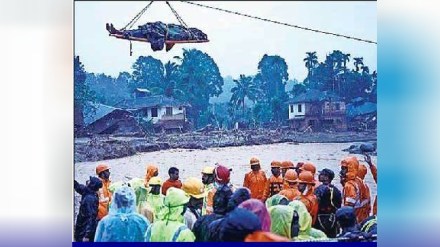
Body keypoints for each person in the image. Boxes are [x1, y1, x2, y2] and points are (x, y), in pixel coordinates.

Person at [313, 168, 342, 238]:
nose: (319, 176)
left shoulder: (320, 188)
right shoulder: (336, 190)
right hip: (332, 219)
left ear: (326, 177)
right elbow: (339, 205)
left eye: (322, 174)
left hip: (319, 219)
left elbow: (315, 202)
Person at [339, 157, 368, 223]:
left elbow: (349, 206)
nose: (341, 171)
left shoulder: (349, 185)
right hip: (363, 216)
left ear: (350, 169)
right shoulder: (359, 180)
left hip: (354, 218)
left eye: (343, 169)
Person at [74, 177, 102, 242]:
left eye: (90, 181)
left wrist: (87, 235)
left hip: (84, 231)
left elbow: (91, 217)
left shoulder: (90, 199)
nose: (88, 181)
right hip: (81, 227)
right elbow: (78, 186)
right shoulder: (87, 191)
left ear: (92, 185)